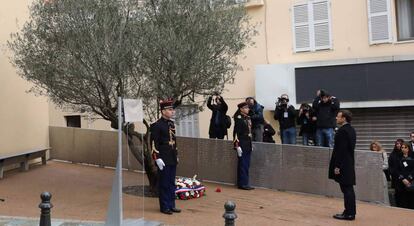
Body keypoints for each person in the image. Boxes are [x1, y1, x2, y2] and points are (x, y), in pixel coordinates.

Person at [150, 98, 181, 215]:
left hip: (171, 156)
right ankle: (164, 206)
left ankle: (171, 205)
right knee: (164, 183)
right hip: (163, 157)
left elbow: (174, 141)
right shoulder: (156, 125)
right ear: (163, 111)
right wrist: (156, 158)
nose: (172, 111)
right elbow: (153, 143)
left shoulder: (171, 123)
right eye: (169, 109)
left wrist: (176, 155)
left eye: (172, 109)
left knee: (171, 182)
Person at [329, 110, 356, 221]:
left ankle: (349, 214)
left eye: (338, 116)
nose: (336, 118)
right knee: (347, 189)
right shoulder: (351, 129)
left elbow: (341, 150)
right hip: (348, 163)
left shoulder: (343, 131)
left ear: (344, 118)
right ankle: (349, 211)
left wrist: (337, 166)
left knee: (347, 189)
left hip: (344, 164)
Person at [233, 101, 255, 190]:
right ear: (241, 109)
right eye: (246, 108)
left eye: (248, 108)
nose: (248, 109)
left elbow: (249, 132)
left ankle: (244, 183)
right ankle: (243, 184)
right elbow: (236, 133)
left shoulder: (248, 118)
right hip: (242, 143)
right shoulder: (239, 118)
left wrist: (251, 144)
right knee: (243, 164)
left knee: (246, 164)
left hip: (248, 143)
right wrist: (237, 146)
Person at [395, 142, 414, 209]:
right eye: (402, 147)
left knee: (411, 201)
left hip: (411, 182)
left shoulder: (412, 157)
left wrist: (409, 179)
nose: (403, 149)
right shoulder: (398, 157)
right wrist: (403, 179)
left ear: (408, 148)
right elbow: (397, 170)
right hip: (401, 182)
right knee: (402, 202)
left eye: (405, 147)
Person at [389, 138, 404, 206]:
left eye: (400, 144)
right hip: (396, 177)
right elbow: (390, 165)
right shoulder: (392, 154)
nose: (399, 145)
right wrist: (392, 174)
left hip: (404, 177)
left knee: (405, 192)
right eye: (397, 144)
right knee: (397, 193)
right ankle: (398, 206)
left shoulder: (404, 154)